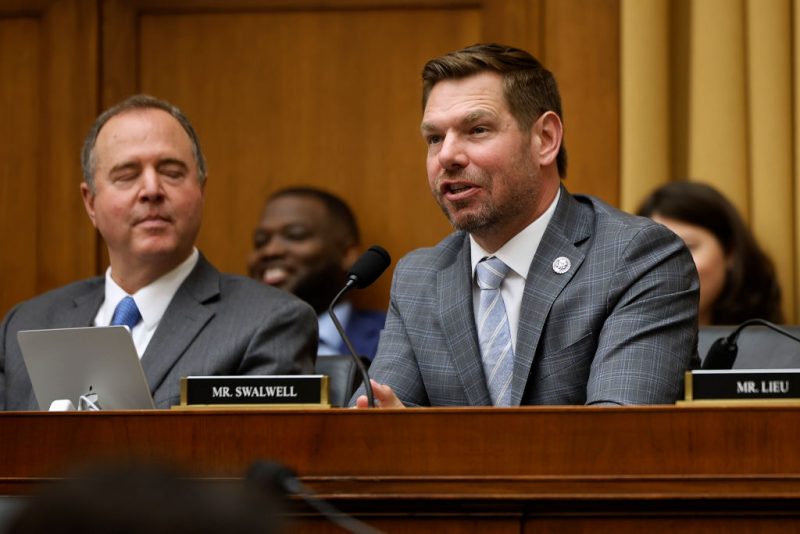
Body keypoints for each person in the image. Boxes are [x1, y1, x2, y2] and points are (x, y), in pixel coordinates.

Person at [352, 43, 699, 408]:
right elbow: (374, 423)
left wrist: (420, 438)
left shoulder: (636, 258)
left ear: (545, 139)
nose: (447, 156)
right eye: (434, 138)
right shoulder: (419, 278)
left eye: (478, 129)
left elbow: (614, 439)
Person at [0, 95, 317, 411]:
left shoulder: (269, 322)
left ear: (201, 190)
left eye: (172, 172)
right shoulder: (25, 324)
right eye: (126, 175)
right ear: (90, 202)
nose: (151, 190)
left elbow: (258, 458)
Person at [248, 187, 386, 360]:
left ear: (346, 254)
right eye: (260, 241)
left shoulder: (391, 338)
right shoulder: (233, 341)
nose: (270, 251)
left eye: (295, 235)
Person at [637, 181, 783, 326]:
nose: (668, 265)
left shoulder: (775, 343)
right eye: (655, 251)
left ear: (730, 253)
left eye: (687, 247)